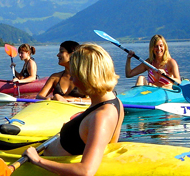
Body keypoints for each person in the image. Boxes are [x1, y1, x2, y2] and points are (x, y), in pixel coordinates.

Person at [23, 43, 124, 176]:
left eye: (75, 75)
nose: (71, 79)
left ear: (87, 76)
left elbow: (86, 171)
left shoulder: (102, 117)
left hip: (44, 167)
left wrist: (38, 160)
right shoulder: (116, 103)